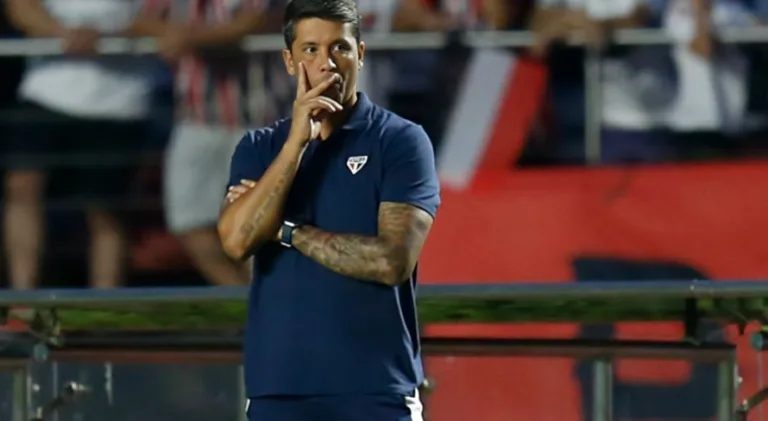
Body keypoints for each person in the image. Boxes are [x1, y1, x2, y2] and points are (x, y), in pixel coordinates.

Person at [217, 0, 440, 419]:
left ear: (361, 53)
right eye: (311, 49)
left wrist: (287, 231)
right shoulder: (260, 148)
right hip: (278, 391)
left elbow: (391, 261)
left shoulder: (400, 142)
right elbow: (236, 241)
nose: (327, 63)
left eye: (340, 47)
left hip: (377, 391)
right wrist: (296, 143)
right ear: (289, 61)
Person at [4, 0, 152, 290]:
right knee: (22, 186)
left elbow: (167, 20)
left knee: (104, 210)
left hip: (119, 104)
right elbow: (20, 7)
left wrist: (108, 36)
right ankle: (22, 298)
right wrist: (61, 32)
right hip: (45, 94)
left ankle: (105, 303)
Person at [129, 0, 268, 286]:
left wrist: (189, 37)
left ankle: (262, 304)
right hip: (194, 119)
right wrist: (174, 33)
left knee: (255, 226)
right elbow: (140, 20)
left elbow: (257, 19)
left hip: (258, 119)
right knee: (187, 221)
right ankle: (242, 300)